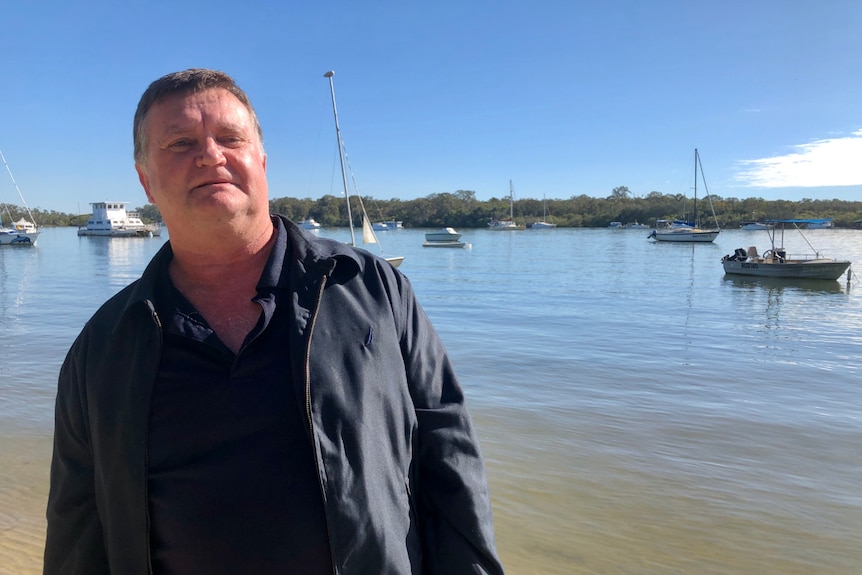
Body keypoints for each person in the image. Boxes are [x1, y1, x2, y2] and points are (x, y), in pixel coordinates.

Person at [43, 68, 504, 575]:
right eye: (179, 143)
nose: (210, 155)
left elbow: (451, 464)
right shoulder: (103, 347)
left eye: (230, 138)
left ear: (261, 159)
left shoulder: (372, 290)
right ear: (145, 180)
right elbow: (77, 530)